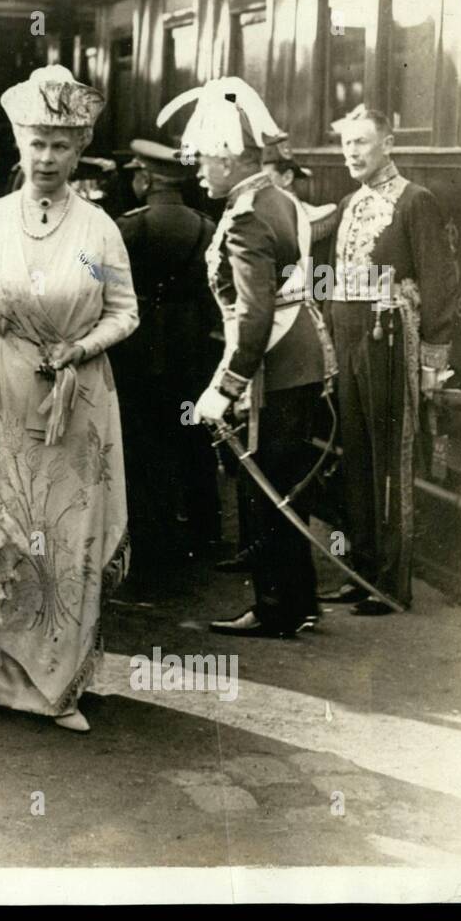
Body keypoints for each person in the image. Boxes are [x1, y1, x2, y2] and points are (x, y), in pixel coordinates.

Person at [0, 65, 138, 733]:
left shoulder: (101, 229)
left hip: (76, 403)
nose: (47, 159)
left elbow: (126, 312)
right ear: (20, 144)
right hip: (0, 394)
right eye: (37, 144)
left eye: (62, 146)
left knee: (66, 536)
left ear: (79, 151)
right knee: (2, 531)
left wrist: (80, 349)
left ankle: (56, 689)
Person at [158, 77, 333, 639]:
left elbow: (254, 315)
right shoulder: (276, 198)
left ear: (231, 159)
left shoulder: (245, 216)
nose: (200, 171)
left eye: (206, 160)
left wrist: (224, 387)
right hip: (298, 356)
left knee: (262, 489)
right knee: (283, 483)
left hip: (271, 365)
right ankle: (299, 600)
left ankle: (277, 607)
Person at [319, 106, 459, 615]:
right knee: (355, 457)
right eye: (346, 144)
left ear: (388, 144)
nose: (352, 152)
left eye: (362, 142)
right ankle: (361, 570)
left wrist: (431, 363)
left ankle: (391, 583)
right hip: (351, 337)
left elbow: (440, 284)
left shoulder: (415, 201)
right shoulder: (349, 203)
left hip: (391, 341)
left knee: (388, 462)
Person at [112, 138, 219, 573]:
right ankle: (204, 530)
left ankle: (150, 533)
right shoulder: (205, 226)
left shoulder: (131, 226)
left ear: (146, 179)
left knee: (141, 439)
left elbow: (96, 271)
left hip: (139, 345)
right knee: (192, 436)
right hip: (190, 345)